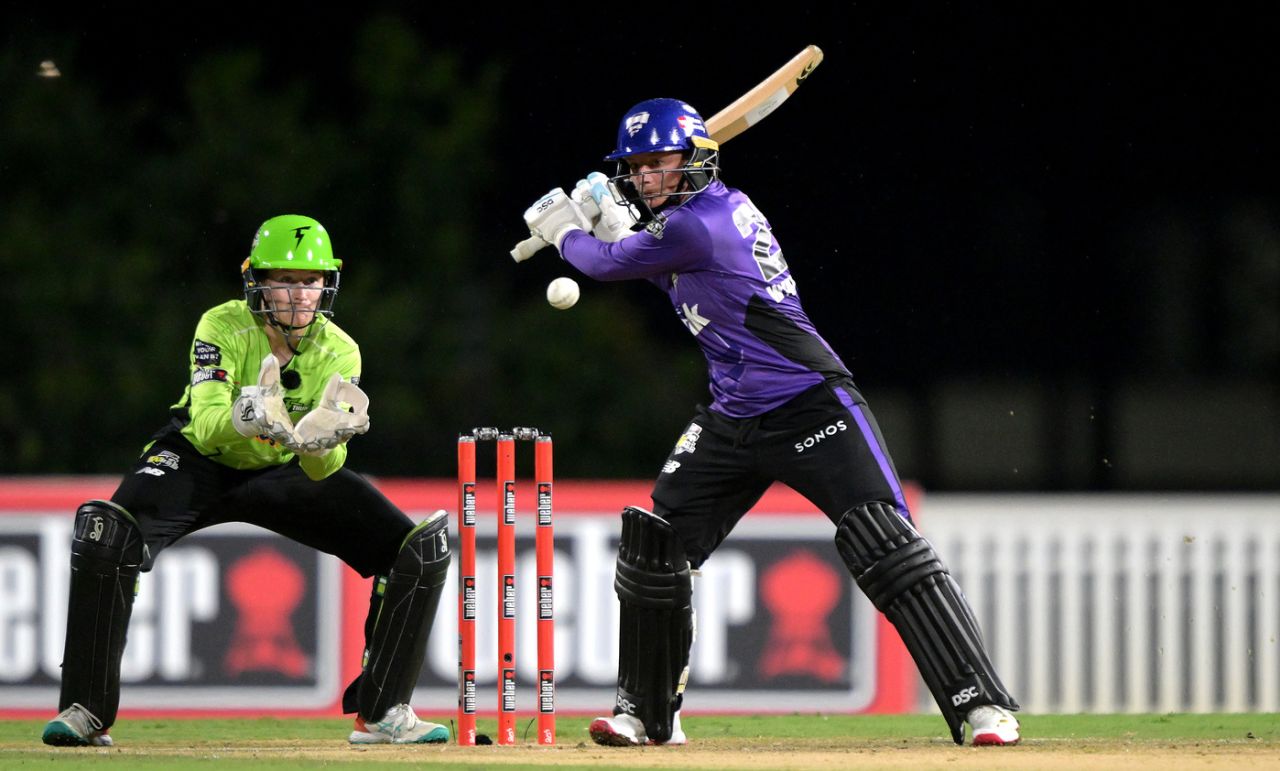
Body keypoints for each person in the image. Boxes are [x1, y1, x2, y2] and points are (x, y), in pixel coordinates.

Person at [522, 99, 1021, 747]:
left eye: (658, 164)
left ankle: (982, 706)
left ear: (693, 160)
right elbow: (667, 275)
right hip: (732, 417)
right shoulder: (686, 223)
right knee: (658, 550)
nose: (645, 178)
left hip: (810, 401)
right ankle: (647, 714)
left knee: (885, 543)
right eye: (636, 168)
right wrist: (616, 229)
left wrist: (568, 232)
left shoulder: (699, 224)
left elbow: (608, 265)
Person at [41, 215, 451, 747]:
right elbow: (208, 428)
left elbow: (322, 471)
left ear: (328, 284)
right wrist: (247, 415)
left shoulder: (341, 351)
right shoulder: (221, 326)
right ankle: (84, 711)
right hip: (196, 462)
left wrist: (322, 443)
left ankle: (383, 712)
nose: (299, 295)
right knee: (107, 534)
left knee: (415, 551)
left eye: (310, 282)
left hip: (280, 468)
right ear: (256, 281)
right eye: (283, 280)